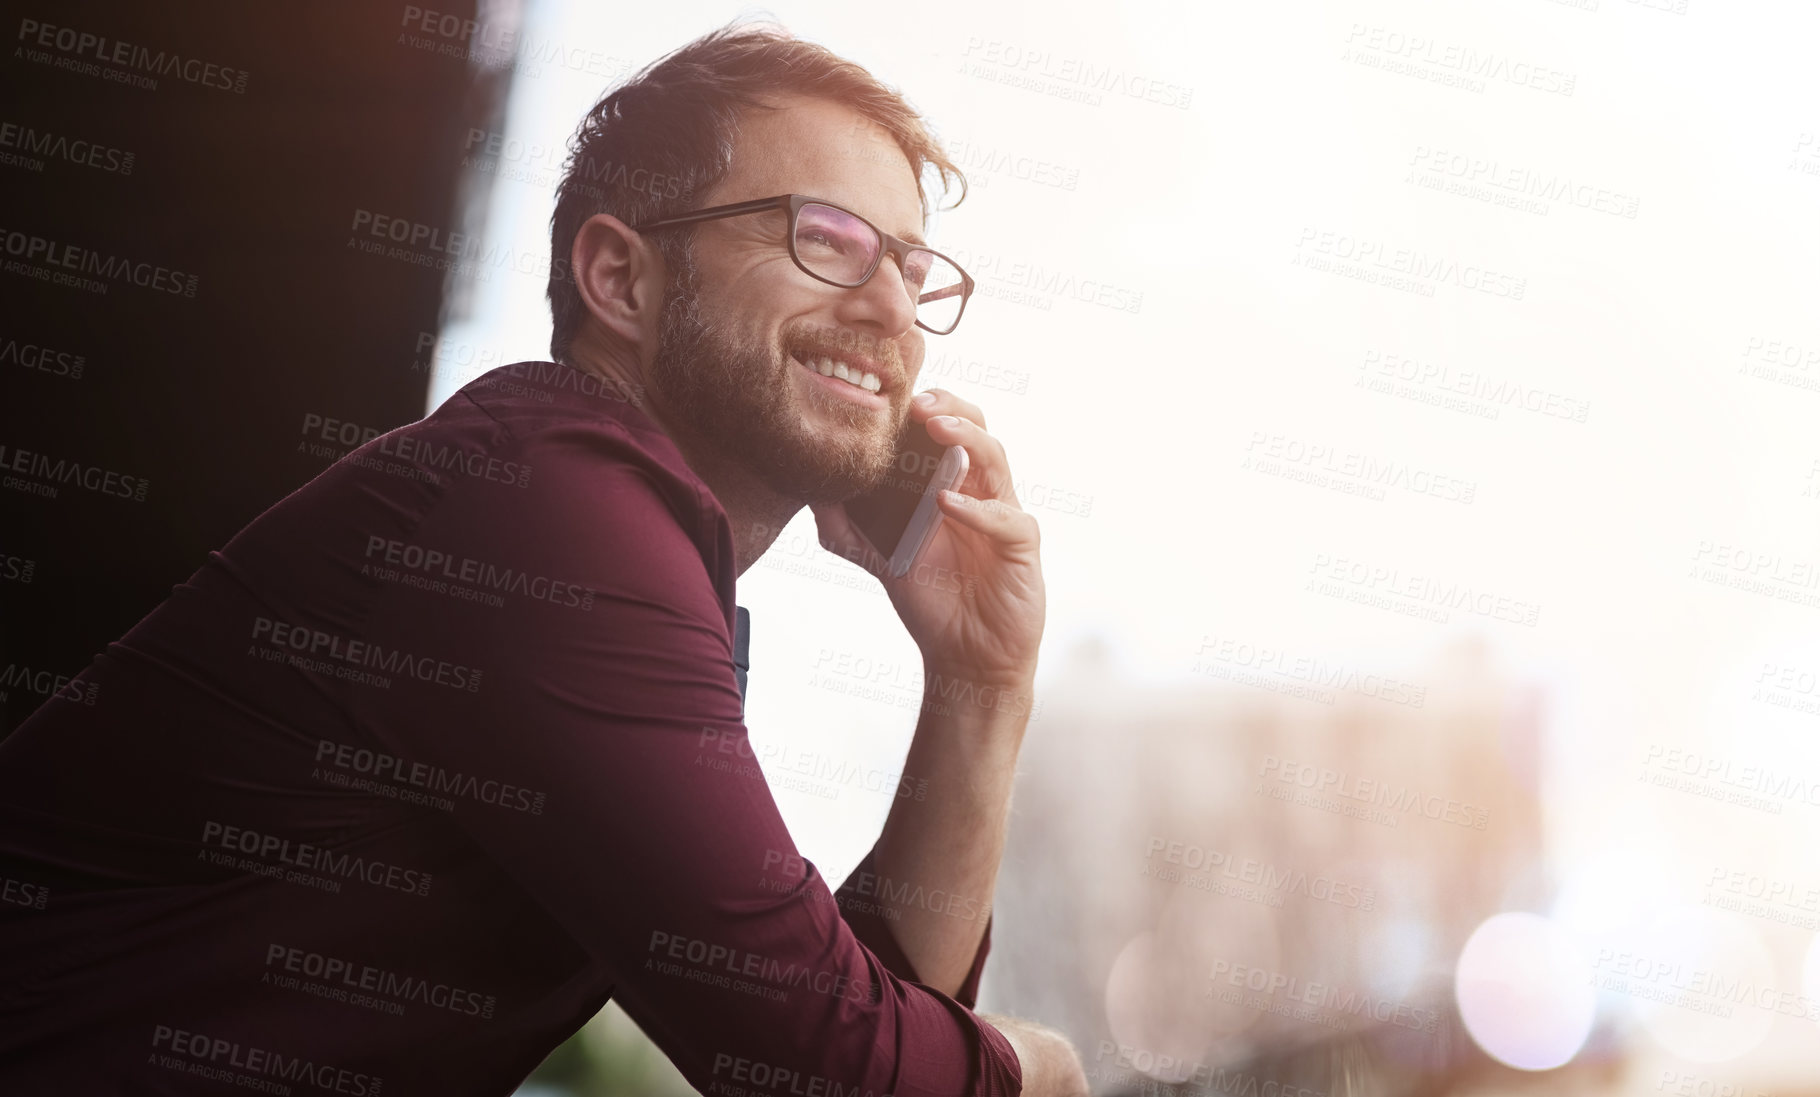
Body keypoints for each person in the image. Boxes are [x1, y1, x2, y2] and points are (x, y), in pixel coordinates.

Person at [0, 22, 1090, 1097]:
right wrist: (1042, 1066)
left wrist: (979, 680)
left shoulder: (614, 545)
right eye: (827, 239)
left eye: (910, 267)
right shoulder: (542, 504)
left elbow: (837, 1022)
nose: (893, 309)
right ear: (620, 277)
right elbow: (833, 1061)